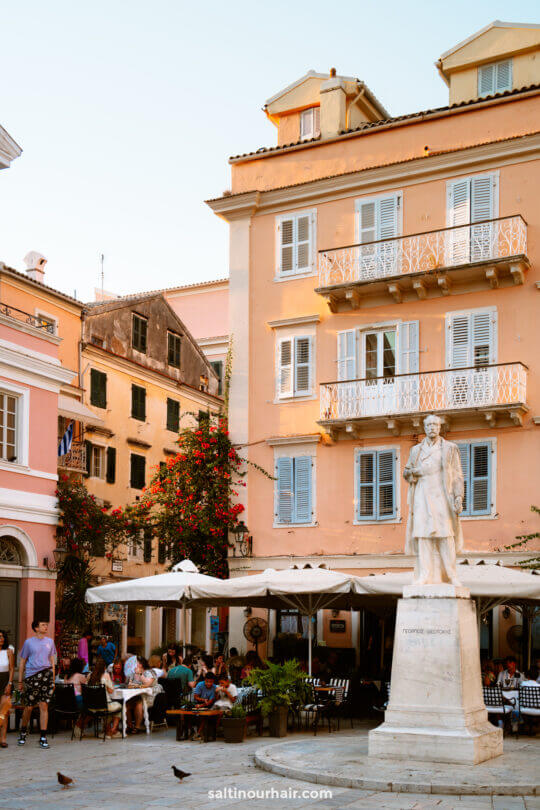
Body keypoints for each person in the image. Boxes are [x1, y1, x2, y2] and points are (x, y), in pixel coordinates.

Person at [403, 414, 464, 585]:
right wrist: (412, 473)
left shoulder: (450, 448)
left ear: (440, 427)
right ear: (424, 428)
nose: (432, 428)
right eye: (429, 425)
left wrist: (458, 496)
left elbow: (458, 474)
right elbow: (406, 472)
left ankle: (451, 575)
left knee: (446, 536)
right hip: (422, 495)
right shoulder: (416, 450)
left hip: (442, 495)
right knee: (423, 536)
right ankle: (425, 575)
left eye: (435, 425)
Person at [17, 620, 57, 749]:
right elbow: (22, 661)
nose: (46, 627)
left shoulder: (50, 642)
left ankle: (43, 736)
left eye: (46, 625)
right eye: (43, 625)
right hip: (32, 676)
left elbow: (52, 661)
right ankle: (23, 731)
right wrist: (20, 681)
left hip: (46, 675)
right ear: (36, 628)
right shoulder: (29, 642)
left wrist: (53, 680)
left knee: (44, 705)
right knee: (29, 707)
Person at [87, 657, 122, 738]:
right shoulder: (105, 675)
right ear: (104, 667)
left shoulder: (89, 676)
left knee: (108, 709)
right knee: (119, 707)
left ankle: (108, 731)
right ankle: (113, 730)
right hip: (103, 705)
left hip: (91, 706)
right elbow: (111, 691)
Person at [126, 656, 161, 733]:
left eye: (136, 663)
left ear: (141, 664)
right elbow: (129, 685)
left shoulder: (150, 672)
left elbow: (148, 684)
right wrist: (136, 685)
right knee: (127, 705)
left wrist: (140, 674)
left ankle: (137, 727)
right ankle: (129, 726)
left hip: (149, 696)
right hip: (138, 696)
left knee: (139, 704)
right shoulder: (133, 673)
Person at [0, 630, 15, 748]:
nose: (1, 639)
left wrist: (9, 683)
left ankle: (3, 739)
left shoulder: (9, 652)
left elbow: (11, 669)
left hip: (5, 681)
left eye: (3, 637)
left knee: (4, 711)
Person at [192, 674, 216, 741]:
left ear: (213, 681)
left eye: (211, 682)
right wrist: (203, 701)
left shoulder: (214, 687)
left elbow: (210, 701)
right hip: (198, 702)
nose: (209, 683)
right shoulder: (200, 685)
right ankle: (197, 732)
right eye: (207, 681)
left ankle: (198, 733)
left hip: (207, 705)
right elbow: (196, 696)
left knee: (205, 716)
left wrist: (202, 705)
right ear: (204, 680)